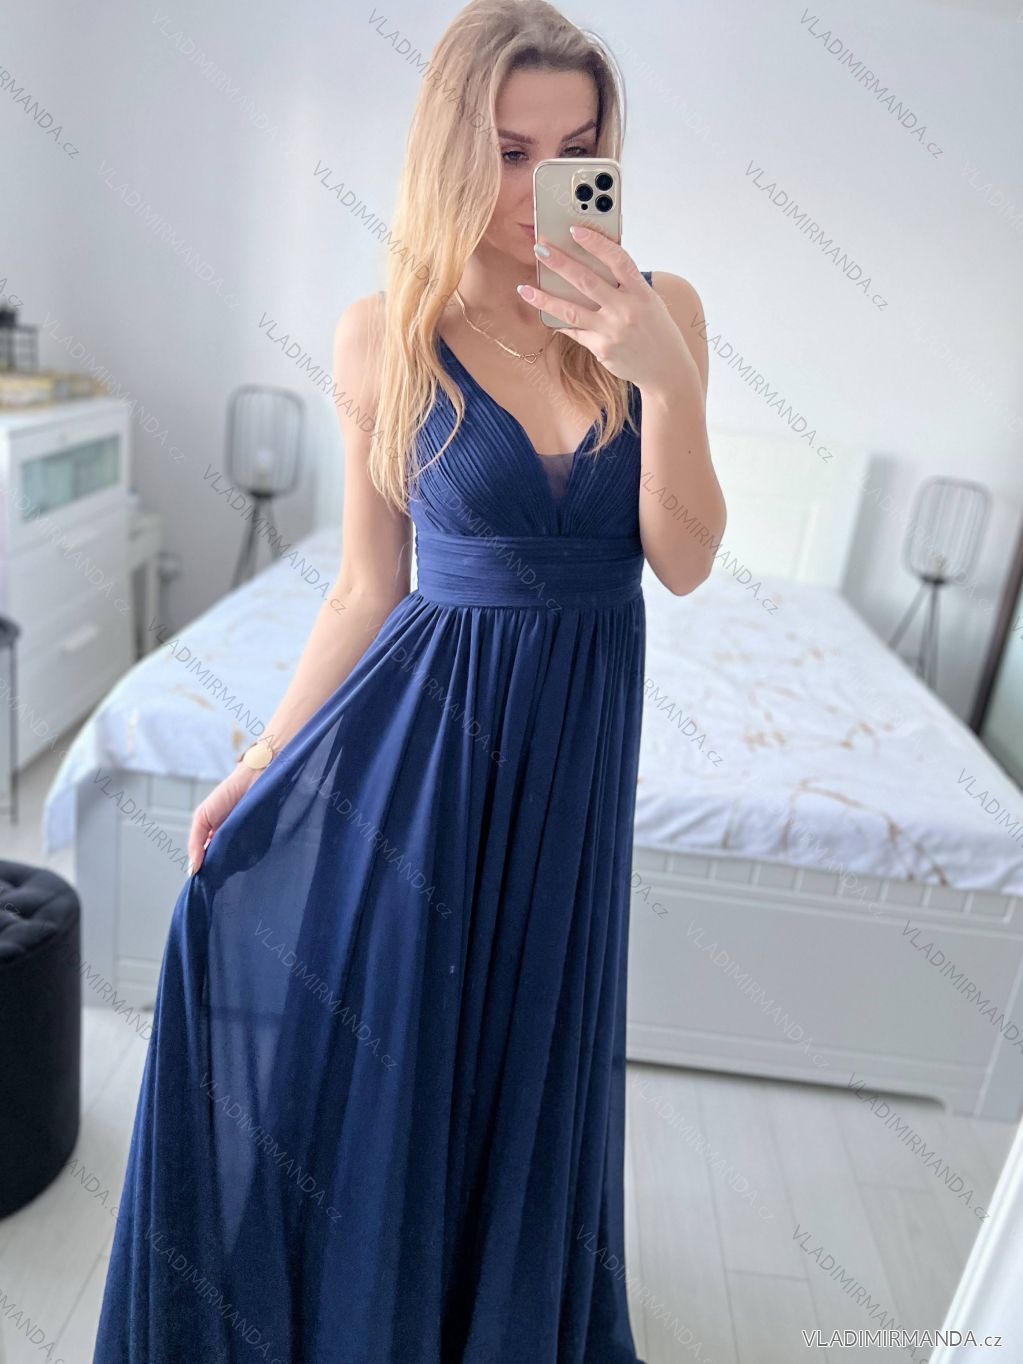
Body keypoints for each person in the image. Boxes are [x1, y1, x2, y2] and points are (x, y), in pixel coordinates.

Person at [92, 1, 724, 1359]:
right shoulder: (386, 335)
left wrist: (664, 381)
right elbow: (366, 587)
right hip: (428, 747)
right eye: (508, 151)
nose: (540, 185)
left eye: (576, 147)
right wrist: (260, 762)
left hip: (576, 748)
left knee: (534, 1041)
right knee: (404, 1037)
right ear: (450, 149)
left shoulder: (661, 311)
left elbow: (682, 560)